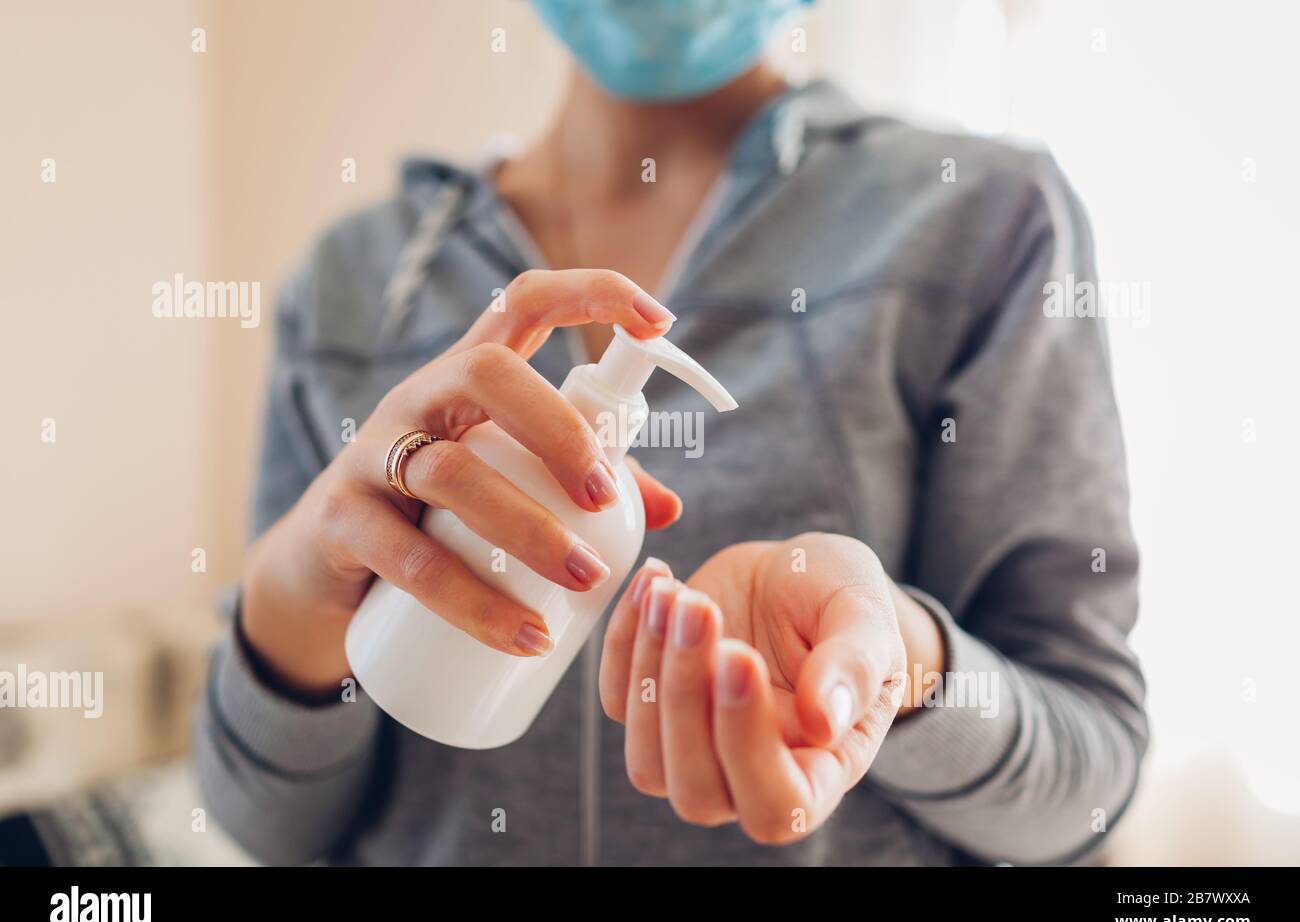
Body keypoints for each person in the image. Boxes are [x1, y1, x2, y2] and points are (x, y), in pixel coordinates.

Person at [195, 0, 1147, 865]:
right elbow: (261, 827)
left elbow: (1090, 786)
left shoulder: (981, 219)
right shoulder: (356, 278)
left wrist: (900, 664)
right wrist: (289, 597)